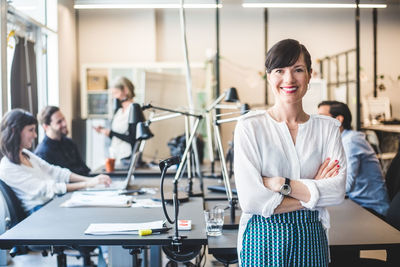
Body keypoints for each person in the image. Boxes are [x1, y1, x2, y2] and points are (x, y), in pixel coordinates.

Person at [234, 39, 346, 266]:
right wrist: (313, 187)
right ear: (269, 77)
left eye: (298, 70)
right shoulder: (250, 127)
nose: (289, 79)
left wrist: (280, 183)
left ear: (309, 75)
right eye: (279, 70)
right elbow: (251, 200)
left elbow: (336, 192)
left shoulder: (328, 128)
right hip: (262, 238)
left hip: (311, 236)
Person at [0, 109, 111, 214]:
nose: (35, 135)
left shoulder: (26, 154)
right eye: (31, 130)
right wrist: (88, 183)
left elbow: (55, 171)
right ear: (15, 131)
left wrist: (91, 180)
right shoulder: (7, 166)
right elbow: (47, 189)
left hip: (50, 204)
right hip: (38, 212)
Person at [318, 100, 390, 217]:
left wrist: (314, 188)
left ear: (338, 120)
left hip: (371, 209)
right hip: (355, 204)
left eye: (321, 117)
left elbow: (345, 185)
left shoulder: (351, 141)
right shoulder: (339, 140)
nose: (317, 122)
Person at [34, 106, 91, 176]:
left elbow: (85, 170)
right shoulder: (42, 153)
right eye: (59, 122)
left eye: (63, 119)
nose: (65, 124)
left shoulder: (70, 143)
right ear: (46, 126)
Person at [93, 77, 136, 164]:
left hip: (127, 158)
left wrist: (111, 133)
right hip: (115, 156)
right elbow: (118, 135)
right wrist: (105, 131)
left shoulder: (134, 110)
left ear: (125, 90)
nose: (114, 97)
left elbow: (133, 139)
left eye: (116, 93)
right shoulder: (119, 111)